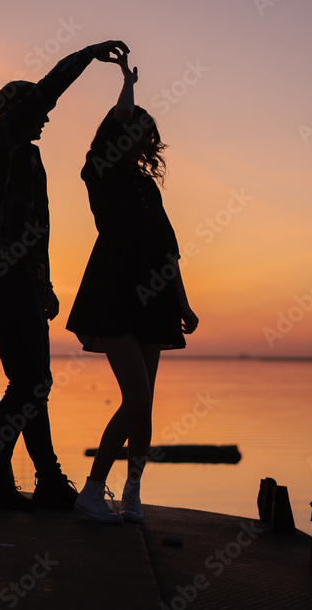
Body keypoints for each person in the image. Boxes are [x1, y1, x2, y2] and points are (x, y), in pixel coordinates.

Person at [0, 40, 130, 511]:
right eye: (33, 110)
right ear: (15, 111)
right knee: (32, 381)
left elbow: (35, 228)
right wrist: (89, 53)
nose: (43, 118)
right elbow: (48, 92)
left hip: (21, 281)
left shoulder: (28, 157)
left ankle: (47, 481)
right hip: (2, 278)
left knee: (30, 382)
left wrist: (45, 283)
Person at [67, 56, 198, 523]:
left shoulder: (148, 187)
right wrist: (127, 83)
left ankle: (133, 491)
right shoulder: (100, 171)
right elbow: (117, 119)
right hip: (113, 291)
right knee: (137, 400)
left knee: (145, 407)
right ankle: (92, 489)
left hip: (154, 298)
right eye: (133, 129)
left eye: (145, 132)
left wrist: (182, 302)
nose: (138, 136)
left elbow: (168, 249)